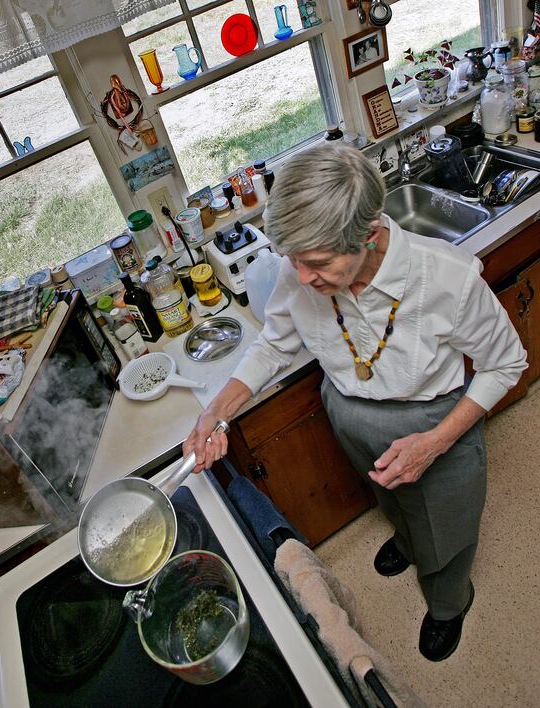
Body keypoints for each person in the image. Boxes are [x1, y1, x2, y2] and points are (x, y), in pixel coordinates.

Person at [183, 142, 527, 663]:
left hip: (435, 423)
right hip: (347, 410)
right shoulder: (303, 266)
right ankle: (411, 543)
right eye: (293, 261)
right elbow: (275, 341)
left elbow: (507, 363)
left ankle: (449, 598)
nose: (300, 278)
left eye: (317, 264)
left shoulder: (447, 280)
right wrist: (217, 410)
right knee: (390, 499)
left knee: (448, 527)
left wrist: (434, 444)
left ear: (369, 237)